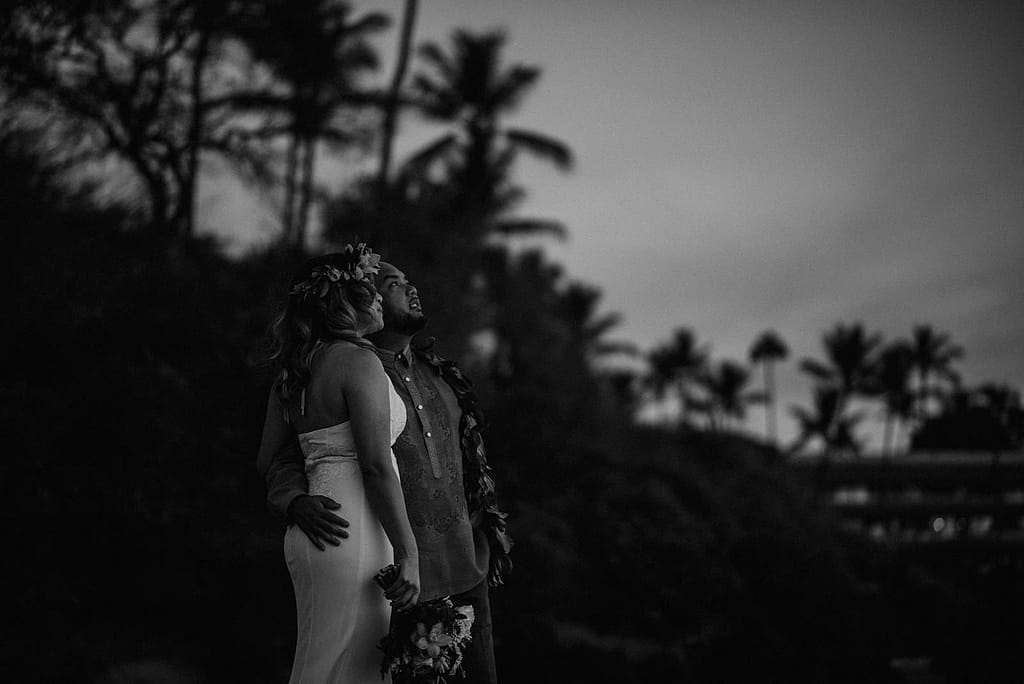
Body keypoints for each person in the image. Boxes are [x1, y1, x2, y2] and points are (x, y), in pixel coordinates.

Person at [262, 261, 512, 684]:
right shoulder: (349, 366)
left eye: (406, 281)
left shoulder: (443, 377)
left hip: (466, 566)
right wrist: (294, 500)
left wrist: (483, 535)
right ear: (356, 300)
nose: (408, 289)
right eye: (391, 284)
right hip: (397, 573)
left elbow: (470, 465)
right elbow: (294, 453)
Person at [256, 246, 420, 684]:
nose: (379, 296)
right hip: (353, 528)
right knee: (351, 668)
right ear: (345, 301)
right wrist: (409, 553)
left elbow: (267, 460)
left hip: (311, 531)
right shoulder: (359, 361)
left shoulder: (292, 373)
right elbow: (376, 466)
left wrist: (294, 502)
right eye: (370, 288)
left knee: (323, 663)